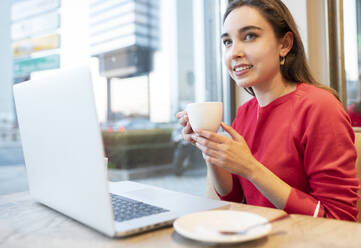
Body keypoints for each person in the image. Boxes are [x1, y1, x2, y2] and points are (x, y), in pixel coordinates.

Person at [176, 0, 360, 221]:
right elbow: (233, 196)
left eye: (250, 36)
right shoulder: (244, 113)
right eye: (227, 42)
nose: (234, 52)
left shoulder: (320, 107)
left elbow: (339, 219)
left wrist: (252, 168)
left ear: (285, 44)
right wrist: (208, 147)